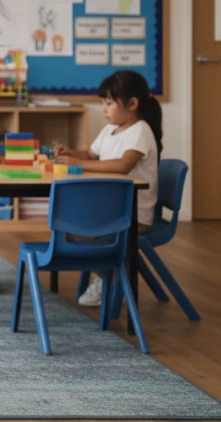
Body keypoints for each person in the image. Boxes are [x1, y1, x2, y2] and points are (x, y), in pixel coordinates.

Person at [56, 70, 162, 307]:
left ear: (132, 104)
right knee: (68, 227)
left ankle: (105, 277)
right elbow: (90, 155)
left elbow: (123, 165)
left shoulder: (141, 131)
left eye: (109, 103)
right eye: (103, 103)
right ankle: (106, 273)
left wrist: (78, 164)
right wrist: (71, 153)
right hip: (111, 211)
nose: (104, 109)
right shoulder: (109, 130)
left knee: (78, 231)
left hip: (133, 215)